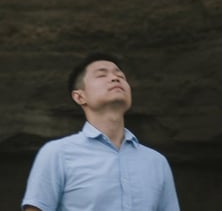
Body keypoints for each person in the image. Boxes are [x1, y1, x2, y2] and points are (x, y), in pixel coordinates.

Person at [22, 52, 179, 211]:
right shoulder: (57, 153)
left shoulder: (157, 162)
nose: (115, 78)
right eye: (101, 75)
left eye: (121, 76)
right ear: (79, 97)